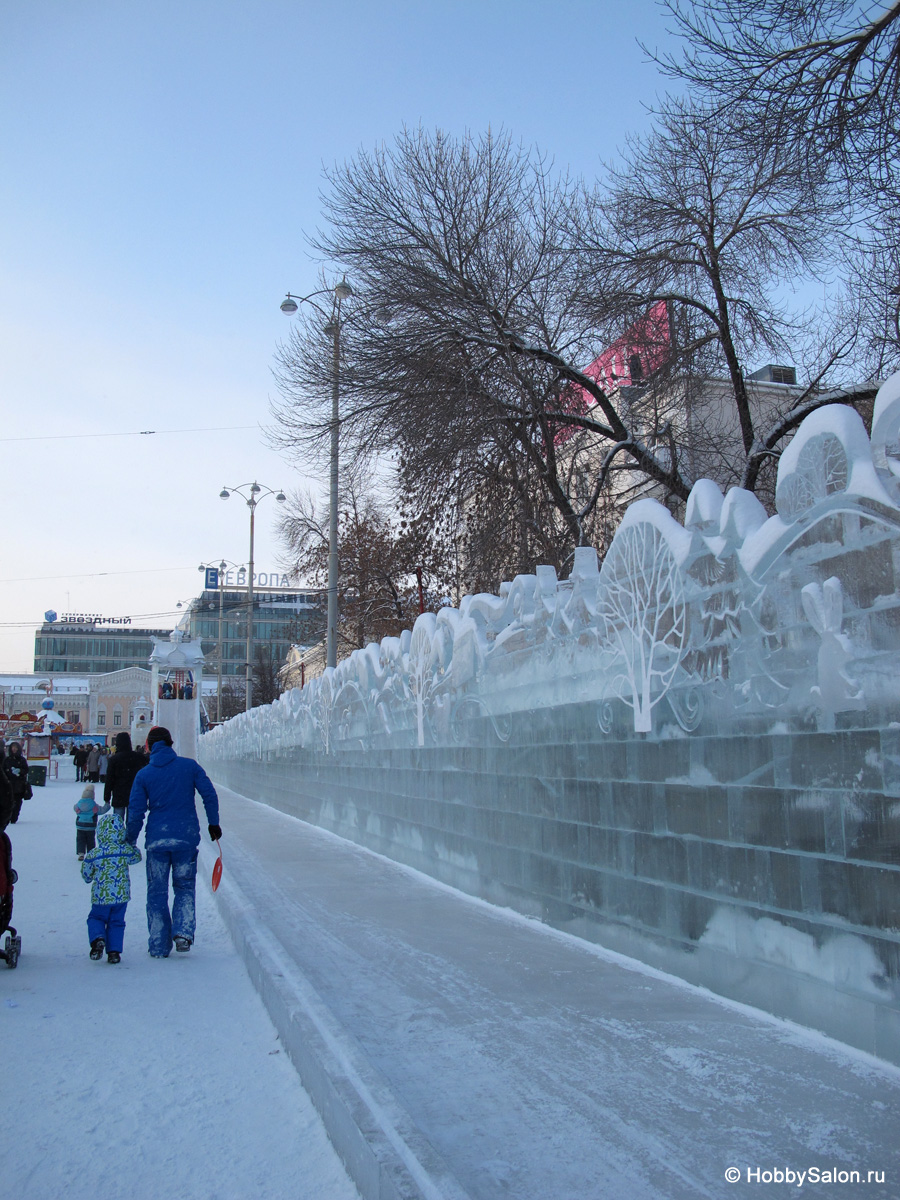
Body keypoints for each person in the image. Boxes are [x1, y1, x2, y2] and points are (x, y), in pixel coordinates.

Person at [126, 726, 221, 958]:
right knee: (185, 887)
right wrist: (213, 823)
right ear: (171, 743)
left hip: (157, 841)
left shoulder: (144, 774)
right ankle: (183, 934)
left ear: (149, 745)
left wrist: (130, 839)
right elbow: (209, 794)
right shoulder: (189, 767)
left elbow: (136, 812)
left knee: (156, 892)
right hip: (185, 838)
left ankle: (158, 944)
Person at [81, 813, 142, 964]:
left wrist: (89, 877)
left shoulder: (94, 854)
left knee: (96, 918)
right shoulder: (124, 850)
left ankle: (98, 938)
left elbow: (86, 875)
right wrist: (131, 845)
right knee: (117, 922)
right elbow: (136, 857)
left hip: (100, 897)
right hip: (121, 896)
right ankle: (114, 952)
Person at [103, 731, 146, 824]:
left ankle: (119, 837)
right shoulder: (137, 757)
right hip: (134, 793)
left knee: (118, 823)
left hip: (118, 794)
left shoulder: (114, 760)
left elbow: (109, 779)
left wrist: (107, 796)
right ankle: (130, 838)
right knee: (131, 822)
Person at [73, 783, 110, 860]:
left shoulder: (79, 804)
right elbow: (101, 810)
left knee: (80, 839)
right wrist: (107, 805)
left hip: (80, 826)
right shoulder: (93, 805)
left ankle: (81, 853)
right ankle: (91, 853)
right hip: (90, 826)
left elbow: (75, 808)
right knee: (90, 839)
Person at [3, 742, 30, 824]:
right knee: (8, 802)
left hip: (19, 785)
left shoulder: (21, 760)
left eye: (15, 747)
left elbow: (26, 770)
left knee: (17, 802)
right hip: (9, 784)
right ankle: (8, 816)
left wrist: (20, 771)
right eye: (12, 747)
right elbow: (3, 770)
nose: (14, 749)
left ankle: (14, 817)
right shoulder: (7, 760)